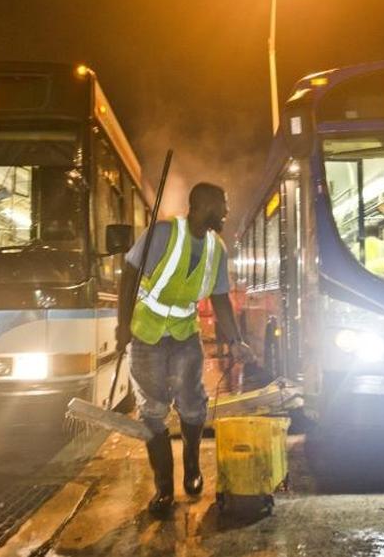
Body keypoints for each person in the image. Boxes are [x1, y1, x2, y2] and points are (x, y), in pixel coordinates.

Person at [115, 181, 251, 517]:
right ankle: (164, 488)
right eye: (224, 205)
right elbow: (129, 276)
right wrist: (121, 326)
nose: (227, 212)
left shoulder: (217, 249)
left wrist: (235, 340)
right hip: (147, 335)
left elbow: (219, 297)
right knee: (153, 412)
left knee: (192, 405)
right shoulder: (161, 234)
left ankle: (191, 466)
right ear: (205, 206)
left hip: (184, 335)